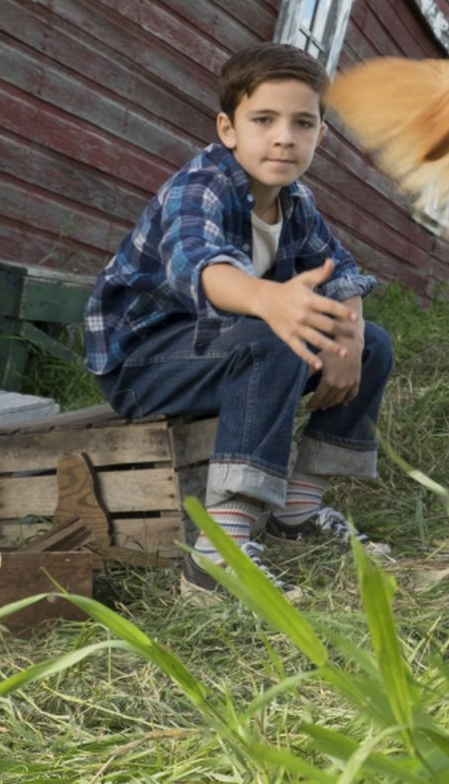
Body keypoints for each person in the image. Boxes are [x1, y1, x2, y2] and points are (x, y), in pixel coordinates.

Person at [85, 42, 394, 602]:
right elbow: (198, 264)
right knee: (270, 335)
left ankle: (297, 509)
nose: (284, 137)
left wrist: (347, 335)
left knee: (373, 344)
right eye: (264, 120)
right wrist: (267, 299)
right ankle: (216, 556)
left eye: (303, 122)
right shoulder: (201, 185)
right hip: (145, 362)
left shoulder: (297, 202)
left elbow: (342, 269)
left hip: (224, 349)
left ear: (320, 134)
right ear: (228, 129)